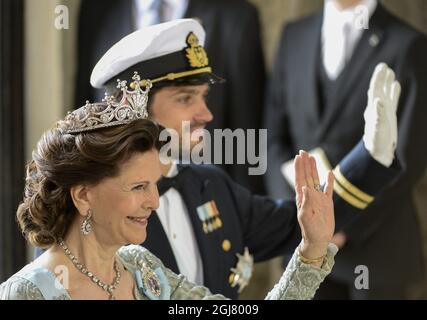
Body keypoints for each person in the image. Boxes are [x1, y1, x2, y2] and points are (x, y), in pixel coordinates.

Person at [85, 19, 401, 299]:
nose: (205, 114)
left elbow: (304, 220)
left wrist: (372, 156)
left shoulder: (209, 183)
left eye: (203, 97)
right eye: (185, 99)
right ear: (133, 105)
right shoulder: (92, 204)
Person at [0, 76, 337, 300]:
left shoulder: (142, 268)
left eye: (154, 186)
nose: (153, 202)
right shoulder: (28, 293)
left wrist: (312, 248)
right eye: (138, 187)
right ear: (83, 195)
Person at [264, 0, 427, 299]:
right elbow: (273, 139)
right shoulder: (293, 35)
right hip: (302, 250)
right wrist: (297, 219)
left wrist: (339, 224)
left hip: (376, 250)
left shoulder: (409, 44)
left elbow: (409, 158)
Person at [75, 0, 265, 192]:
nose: (207, 114)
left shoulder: (236, 15)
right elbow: (85, 113)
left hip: (206, 196)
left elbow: (247, 128)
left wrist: (237, 211)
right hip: (117, 191)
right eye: (185, 98)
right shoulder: (97, 9)